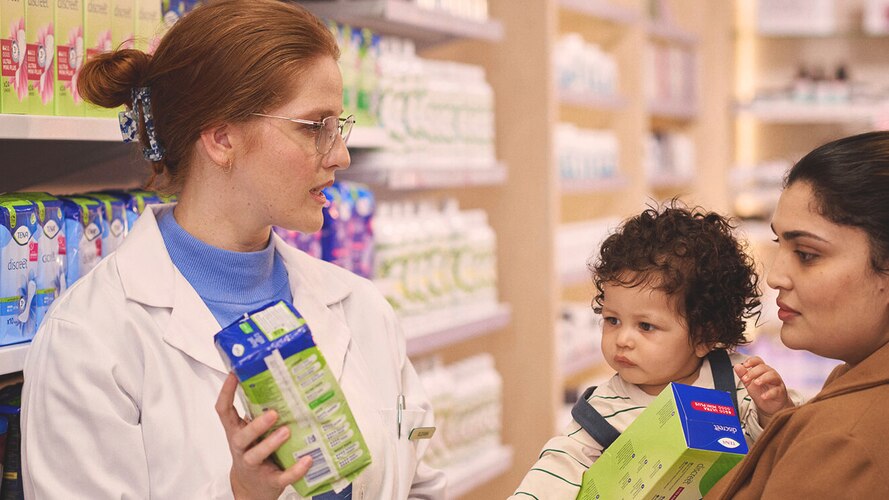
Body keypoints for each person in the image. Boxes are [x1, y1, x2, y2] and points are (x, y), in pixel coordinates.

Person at [20, 1, 446, 499]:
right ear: (221, 138)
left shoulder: (361, 308)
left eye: (338, 126)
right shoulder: (91, 338)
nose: (340, 154)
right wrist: (241, 494)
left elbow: (420, 488)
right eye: (315, 127)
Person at [510, 204, 803, 499]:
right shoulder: (604, 409)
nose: (623, 339)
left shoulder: (737, 381)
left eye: (646, 326)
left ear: (704, 334)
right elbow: (561, 463)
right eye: (612, 320)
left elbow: (789, 443)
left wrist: (773, 410)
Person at [706, 131, 889, 499]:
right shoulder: (854, 379)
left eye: (806, 253)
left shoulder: (844, 444)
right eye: (780, 244)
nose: (775, 277)